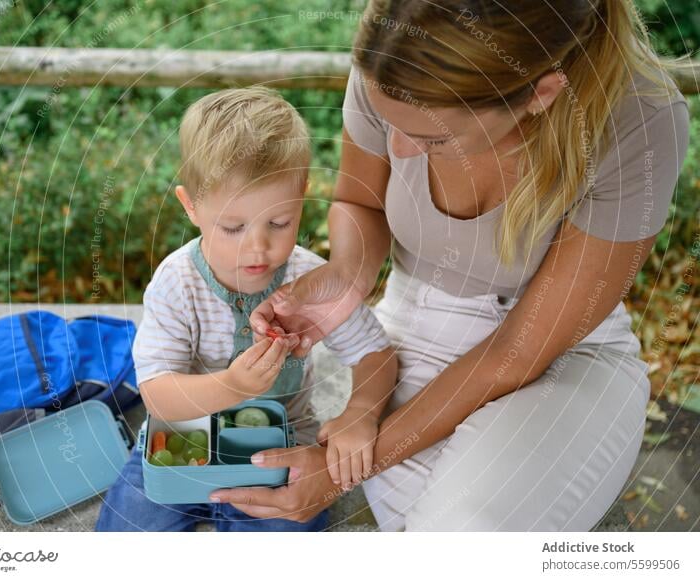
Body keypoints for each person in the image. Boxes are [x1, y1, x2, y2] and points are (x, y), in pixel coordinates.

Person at [209, 0, 690, 531]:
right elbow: (363, 201)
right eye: (387, 119)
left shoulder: (638, 116)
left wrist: (335, 472)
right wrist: (346, 276)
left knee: (467, 530)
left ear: (540, 95)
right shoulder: (396, 57)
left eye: (435, 139)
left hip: (566, 358)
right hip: (411, 339)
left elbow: (519, 351)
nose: (399, 150)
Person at [94, 86, 398, 531]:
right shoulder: (177, 283)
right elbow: (158, 394)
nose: (258, 247)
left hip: (281, 444)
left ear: (302, 196)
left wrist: (360, 413)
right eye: (233, 227)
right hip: (180, 440)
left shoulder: (311, 281)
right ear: (191, 206)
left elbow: (377, 355)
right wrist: (232, 386)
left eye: (280, 222)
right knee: (124, 532)